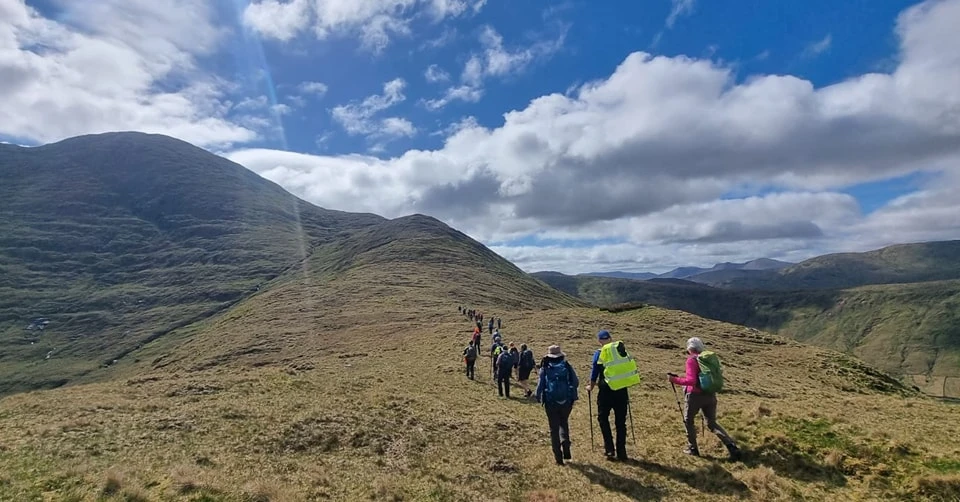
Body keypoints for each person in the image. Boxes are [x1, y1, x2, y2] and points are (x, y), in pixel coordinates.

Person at [668, 337, 741, 460]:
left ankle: (693, 448)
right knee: (712, 423)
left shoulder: (691, 360)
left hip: (695, 396)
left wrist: (674, 379)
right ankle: (731, 446)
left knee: (688, 421)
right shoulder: (706, 360)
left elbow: (691, 381)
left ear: (689, 348)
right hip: (710, 394)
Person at [585, 330, 640, 461]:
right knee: (621, 422)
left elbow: (595, 371)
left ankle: (609, 449)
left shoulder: (599, 353)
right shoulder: (621, 350)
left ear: (599, 340)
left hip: (606, 390)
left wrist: (591, 387)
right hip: (621, 389)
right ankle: (622, 452)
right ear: (610, 338)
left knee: (603, 418)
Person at [536, 344, 579, 465]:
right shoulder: (566, 365)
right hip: (566, 401)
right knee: (563, 423)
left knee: (553, 429)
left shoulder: (545, 367)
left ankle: (558, 458)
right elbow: (576, 381)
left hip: (551, 401)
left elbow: (541, 384)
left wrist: (538, 396)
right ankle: (565, 444)